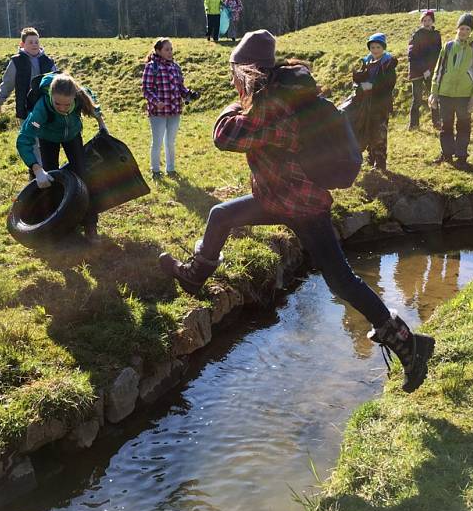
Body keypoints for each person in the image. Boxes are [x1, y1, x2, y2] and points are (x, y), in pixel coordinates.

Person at [158, 30, 434, 394]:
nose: (231, 78)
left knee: (342, 281)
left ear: (246, 71)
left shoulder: (273, 104)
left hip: (300, 204)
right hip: (280, 197)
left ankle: (409, 345)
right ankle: (194, 276)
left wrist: (234, 107)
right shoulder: (276, 98)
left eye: (234, 71)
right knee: (221, 215)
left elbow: (225, 137)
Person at [16, 72, 107, 240]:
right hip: (48, 138)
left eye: (67, 104)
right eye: (58, 104)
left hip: (72, 136)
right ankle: (55, 223)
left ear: (74, 97)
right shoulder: (41, 109)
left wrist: (102, 124)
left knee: (84, 177)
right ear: (51, 95)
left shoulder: (80, 96)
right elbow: (23, 140)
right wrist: (37, 169)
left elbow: (94, 106)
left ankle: (90, 225)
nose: (63, 108)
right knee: (51, 180)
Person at [429, 13, 473, 169]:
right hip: (445, 94)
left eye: (467, 29)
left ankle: (461, 156)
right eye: (462, 28)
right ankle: (446, 154)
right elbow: (438, 69)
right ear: (457, 28)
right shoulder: (447, 47)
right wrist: (434, 92)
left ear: (471, 30)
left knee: (463, 126)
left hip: (464, 95)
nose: (464, 31)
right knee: (445, 126)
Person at [141, 38, 199, 179]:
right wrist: (156, 102)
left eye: (171, 49)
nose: (170, 52)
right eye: (167, 49)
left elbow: (180, 88)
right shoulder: (151, 67)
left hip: (174, 111)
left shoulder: (175, 67)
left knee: (170, 142)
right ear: (158, 51)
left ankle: (171, 169)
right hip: (158, 113)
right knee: (157, 142)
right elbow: (146, 90)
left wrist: (189, 95)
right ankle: (155, 171)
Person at [0, 27, 57, 119]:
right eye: (30, 42)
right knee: (27, 132)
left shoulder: (48, 62)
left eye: (36, 42)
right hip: (25, 107)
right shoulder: (17, 61)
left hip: (46, 106)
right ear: (22, 44)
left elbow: (58, 82)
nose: (34, 45)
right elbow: (8, 83)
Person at [351, 33, 397, 171]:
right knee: (368, 129)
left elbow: (389, 83)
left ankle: (380, 160)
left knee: (379, 132)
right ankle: (371, 157)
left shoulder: (388, 63)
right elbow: (361, 79)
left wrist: (372, 86)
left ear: (383, 48)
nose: (375, 50)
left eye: (378, 47)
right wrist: (358, 79)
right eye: (372, 47)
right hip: (367, 104)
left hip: (381, 104)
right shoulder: (367, 61)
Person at [407, 10, 442, 129]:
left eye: (429, 20)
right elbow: (412, 55)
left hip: (432, 71)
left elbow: (439, 53)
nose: (427, 22)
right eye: (424, 20)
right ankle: (413, 124)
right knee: (417, 99)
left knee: (434, 96)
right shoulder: (417, 35)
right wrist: (424, 69)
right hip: (417, 71)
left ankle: (437, 122)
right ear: (421, 22)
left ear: (433, 21)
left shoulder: (437, 35)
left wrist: (436, 69)